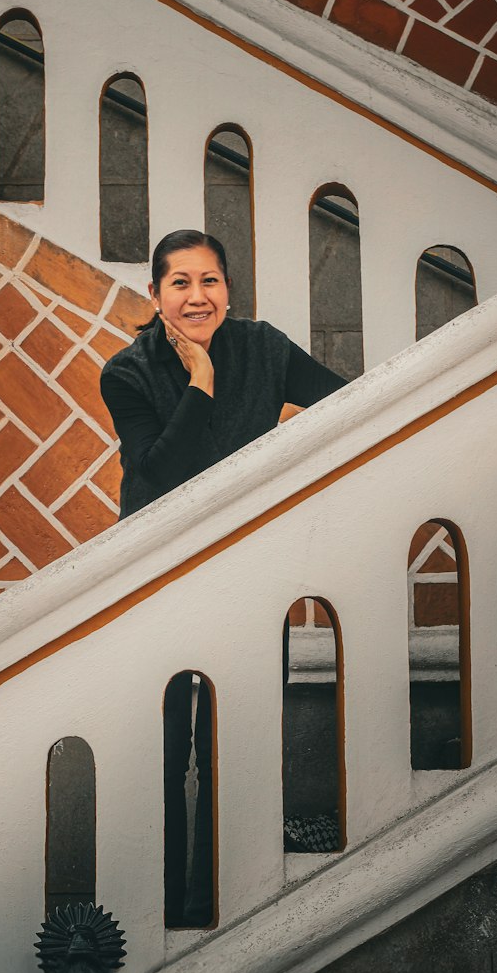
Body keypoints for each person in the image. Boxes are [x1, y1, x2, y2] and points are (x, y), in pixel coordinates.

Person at [99, 229, 347, 926]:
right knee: (169, 744)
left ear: (228, 290)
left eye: (210, 281)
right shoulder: (127, 372)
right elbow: (163, 471)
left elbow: (350, 407)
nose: (196, 296)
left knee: (232, 744)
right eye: (179, 283)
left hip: (247, 575)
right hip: (162, 577)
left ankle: (220, 904)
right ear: (154, 295)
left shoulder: (264, 347)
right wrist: (201, 381)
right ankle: (168, 914)